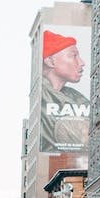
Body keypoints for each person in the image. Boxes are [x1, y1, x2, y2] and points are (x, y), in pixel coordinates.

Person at [40, 30, 90, 158]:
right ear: (50, 61)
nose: (81, 62)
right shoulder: (43, 99)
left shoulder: (74, 96)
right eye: (73, 55)